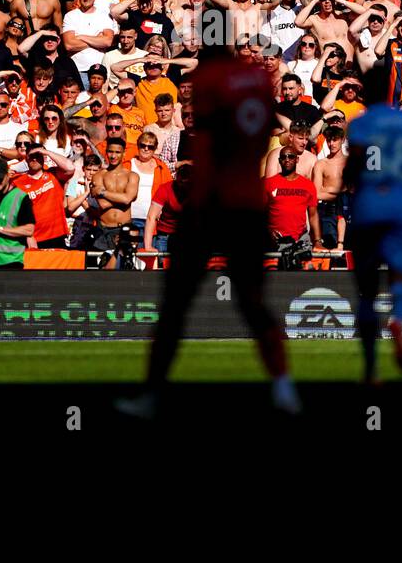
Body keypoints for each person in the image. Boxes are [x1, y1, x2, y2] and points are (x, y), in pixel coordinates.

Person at [119, 22, 297, 419]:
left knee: (176, 304)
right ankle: (284, 389)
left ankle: (152, 394)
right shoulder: (257, 80)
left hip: (209, 203)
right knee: (253, 302)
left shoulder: (211, 77)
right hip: (248, 203)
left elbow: (208, 129)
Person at [345, 64, 402, 382]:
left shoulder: (360, 125)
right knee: (400, 275)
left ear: (363, 93)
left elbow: (353, 168)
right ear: (389, 89)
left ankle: (371, 370)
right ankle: (398, 319)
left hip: (370, 203)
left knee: (367, 291)